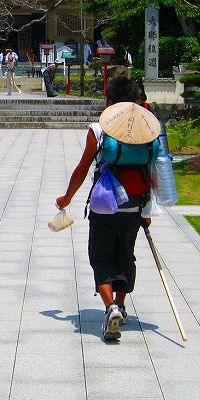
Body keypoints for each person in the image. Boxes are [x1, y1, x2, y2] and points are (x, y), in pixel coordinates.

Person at [55, 76, 158, 341]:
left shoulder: (98, 130)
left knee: (101, 257)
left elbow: (82, 168)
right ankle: (121, 305)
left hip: (104, 206)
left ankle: (110, 306)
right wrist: (146, 211)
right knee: (126, 254)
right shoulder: (147, 127)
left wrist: (67, 197)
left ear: (109, 103)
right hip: (135, 204)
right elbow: (154, 169)